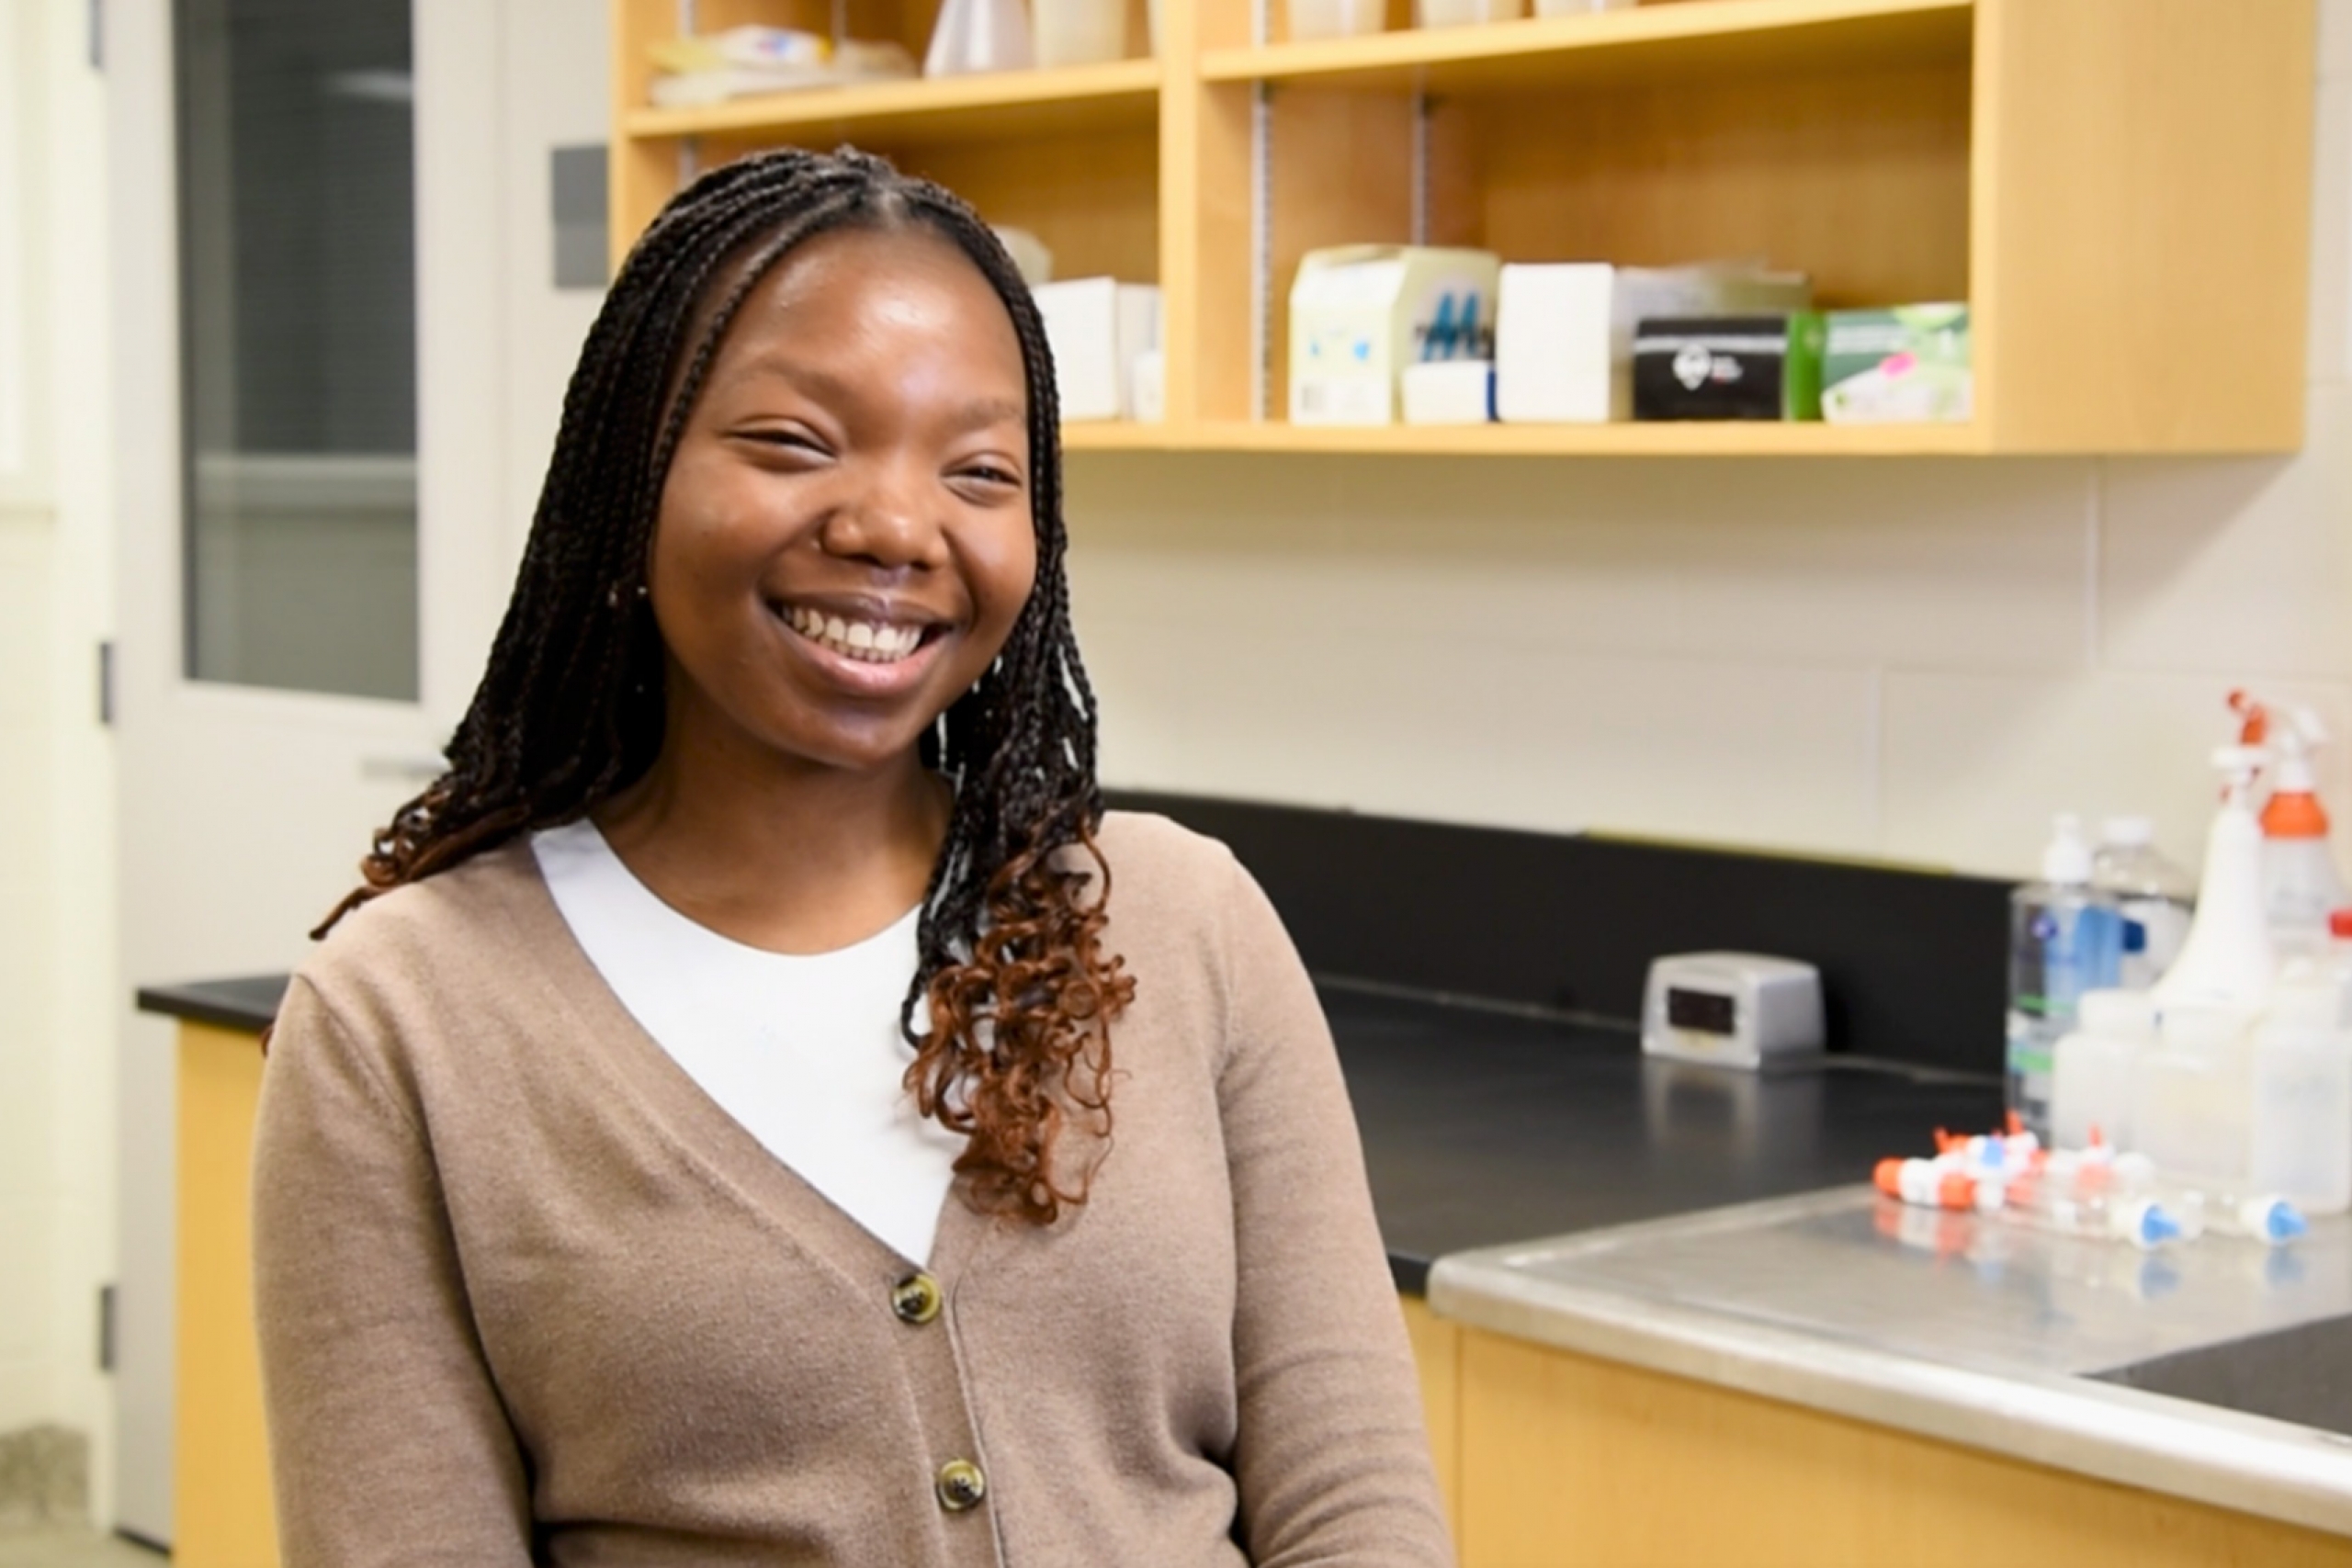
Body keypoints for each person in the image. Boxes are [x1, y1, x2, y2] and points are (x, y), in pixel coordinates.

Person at [251, 146, 1453, 1568]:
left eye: (980, 471)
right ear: (634, 472)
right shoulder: (405, 1020)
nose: (895, 526)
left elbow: (1355, 1505)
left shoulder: (1184, 926)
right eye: (795, 442)